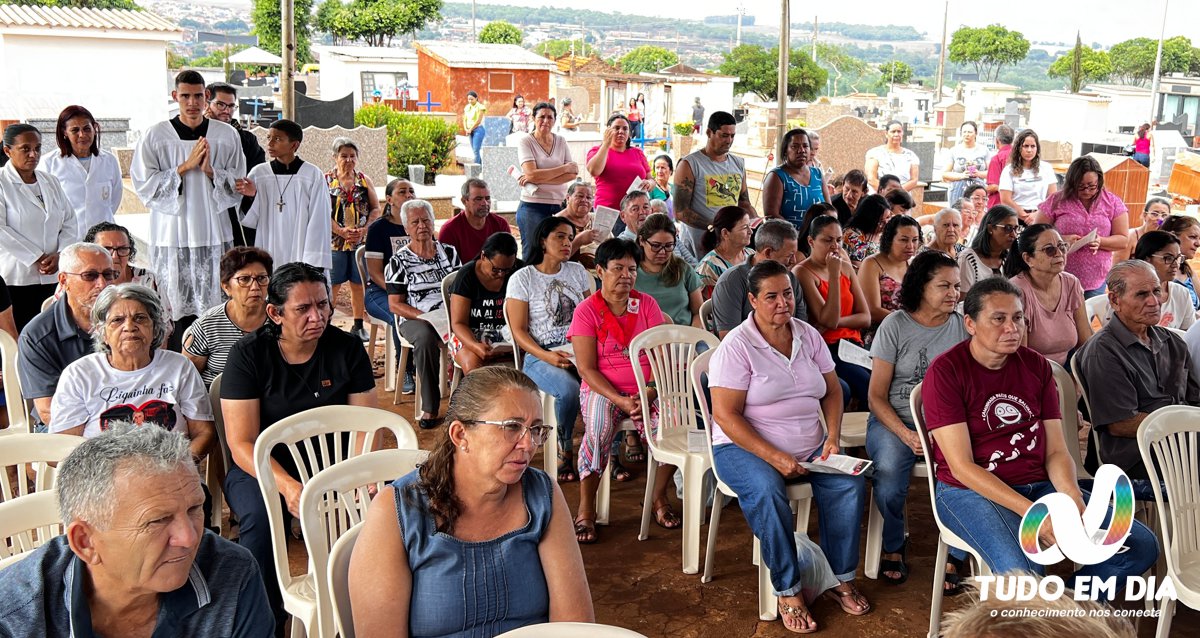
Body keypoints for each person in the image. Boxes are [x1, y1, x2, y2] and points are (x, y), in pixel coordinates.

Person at [924, 277, 1158, 597]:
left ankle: (1063, 605)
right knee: (1026, 577)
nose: (1012, 327)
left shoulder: (1035, 365)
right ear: (970, 323)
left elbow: (1056, 452)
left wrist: (1073, 500)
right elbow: (962, 466)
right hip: (970, 491)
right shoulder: (946, 371)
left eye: (1018, 317)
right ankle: (1045, 611)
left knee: (1140, 546)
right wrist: (1033, 514)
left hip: (1038, 484)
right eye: (999, 318)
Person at [349, 366, 593, 635]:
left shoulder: (541, 496)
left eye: (536, 429)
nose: (528, 444)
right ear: (460, 435)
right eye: (511, 427)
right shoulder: (397, 511)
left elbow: (575, 625)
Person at [710, 259, 871, 633]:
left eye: (787, 293)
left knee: (849, 482)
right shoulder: (737, 346)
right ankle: (788, 588)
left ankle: (839, 578)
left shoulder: (806, 334)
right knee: (767, 491)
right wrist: (774, 456)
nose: (782, 303)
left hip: (810, 445)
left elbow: (832, 389)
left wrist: (832, 437)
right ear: (752, 300)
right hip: (744, 448)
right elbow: (726, 415)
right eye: (771, 296)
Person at [0, 424, 274, 636]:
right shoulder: (14, 617)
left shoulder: (232, 574)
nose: (190, 538)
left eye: (194, 509)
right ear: (86, 542)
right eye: (157, 520)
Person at [221, 262, 378, 627]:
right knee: (260, 522)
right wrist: (288, 487)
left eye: (323, 305)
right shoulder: (248, 355)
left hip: (332, 464)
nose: (318, 316)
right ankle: (265, 621)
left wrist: (356, 473)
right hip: (262, 469)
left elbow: (366, 427)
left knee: (375, 513)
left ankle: (352, 615)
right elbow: (241, 442)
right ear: (275, 313)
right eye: (303, 309)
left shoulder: (347, 348)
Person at [867, 250, 969, 590]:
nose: (954, 294)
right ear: (921, 287)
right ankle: (894, 542)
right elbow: (876, 396)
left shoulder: (963, 325)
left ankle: (958, 548)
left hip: (948, 424)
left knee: (963, 472)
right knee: (889, 473)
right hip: (894, 419)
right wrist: (907, 434)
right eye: (944, 286)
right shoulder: (895, 325)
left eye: (956, 286)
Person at [569, 238, 678, 543]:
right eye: (617, 268)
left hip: (649, 390)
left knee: (674, 425)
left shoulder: (646, 305)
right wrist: (620, 399)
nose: (626, 275)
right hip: (603, 390)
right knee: (599, 430)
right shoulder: (587, 311)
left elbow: (661, 358)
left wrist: (651, 393)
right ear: (600, 270)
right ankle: (586, 510)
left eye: (631, 269)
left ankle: (657, 498)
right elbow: (587, 369)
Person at [131, 70, 246, 347]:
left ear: (206, 96)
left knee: (215, 305)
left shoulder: (226, 134)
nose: (192, 102)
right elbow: (144, 186)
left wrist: (211, 172)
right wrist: (184, 167)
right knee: (176, 309)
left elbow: (239, 181)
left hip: (213, 232)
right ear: (175, 97)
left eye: (198, 96)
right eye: (185, 96)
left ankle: (217, 360)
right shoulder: (156, 136)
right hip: (174, 235)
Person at [49, 283, 215, 456]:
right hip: (103, 477)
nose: (129, 327)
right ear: (102, 332)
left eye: (140, 318)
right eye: (117, 320)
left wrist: (179, 468)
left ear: (155, 327)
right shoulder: (79, 374)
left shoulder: (179, 366)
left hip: (172, 473)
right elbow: (61, 449)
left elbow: (204, 433)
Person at [1080, 261, 1200, 483]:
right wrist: (1185, 425)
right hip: (1136, 457)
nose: (1154, 302)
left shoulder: (1172, 341)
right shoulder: (1103, 352)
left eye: (1156, 291)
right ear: (1115, 300)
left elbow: (1195, 399)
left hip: (1182, 442)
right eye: (1142, 294)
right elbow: (1121, 423)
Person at [506, 216, 592, 483]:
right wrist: (548, 356)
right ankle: (565, 447)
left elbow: (592, 313)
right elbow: (518, 331)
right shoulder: (523, 278)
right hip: (540, 353)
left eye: (570, 237)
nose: (567, 243)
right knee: (568, 391)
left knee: (610, 381)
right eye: (560, 237)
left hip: (580, 347)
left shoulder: (577, 271)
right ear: (543, 240)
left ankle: (605, 451)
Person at [18, 242, 114, 427]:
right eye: (90, 276)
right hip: (69, 428)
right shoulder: (37, 336)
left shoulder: (129, 319)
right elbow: (48, 412)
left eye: (108, 275)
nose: (102, 284)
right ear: (63, 281)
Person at [386, 200, 461, 429]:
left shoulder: (449, 252)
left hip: (448, 314)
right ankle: (430, 407)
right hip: (415, 319)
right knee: (426, 338)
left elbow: (460, 288)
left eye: (426, 220)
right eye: (415, 222)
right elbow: (395, 305)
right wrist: (425, 316)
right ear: (406, 228)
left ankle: (466, 400)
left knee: (472, 332)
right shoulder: (399, 261)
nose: (422, 226)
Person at [0, 123, 78, 331]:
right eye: (25, 148)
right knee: (20, 336)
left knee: (51, 333)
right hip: (16, 277)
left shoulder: (50, 181)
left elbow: (69, 220)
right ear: (8, 151)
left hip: (53, 275)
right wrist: (36, 256)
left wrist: (60, 253)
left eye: (37, 148)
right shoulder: (1, 182)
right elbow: (1, 230)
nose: (33, 154)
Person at [795, 215, 871, 409]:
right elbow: (828, 320)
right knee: (868, 387)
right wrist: (834, 276)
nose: (835, 246)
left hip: (854, 345)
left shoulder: (845, 267)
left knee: (883, 381)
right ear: (811, 241)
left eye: (838, 240)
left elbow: (865, 317)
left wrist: (838, 321)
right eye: (827, 240)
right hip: (828, 346)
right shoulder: (803, 272)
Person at [235, 119, 331, 270]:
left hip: (302, 250)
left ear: (294, 145)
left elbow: (319, 220)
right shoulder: (259, 174)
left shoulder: (312, 175)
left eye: (277, 139)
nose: (270, 144)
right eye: (269, 138)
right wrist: (252, 196)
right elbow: (249, 221)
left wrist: (313, 262)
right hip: (267, 247)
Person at [1032, 155, 1129, 298]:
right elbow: (1035, 234)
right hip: (1058, 274)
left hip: (1096, 278)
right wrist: (1060, 240)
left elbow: (1123, 240)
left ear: (1099, 181)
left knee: (1086, 316)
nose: (1087, 191)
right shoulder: (1057, 200)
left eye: (1092, 186)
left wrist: (1100, 241)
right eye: (1081, 186)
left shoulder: (1112, 202)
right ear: (1071, 183)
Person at [183, 247, 273, 387]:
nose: (255, 287)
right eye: (244, 279)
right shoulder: (207, 325)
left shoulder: (280, 318)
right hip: (218, 404)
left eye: (262, 278)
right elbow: (185, 379)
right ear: (226, 287)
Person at [1004, 224, 1091, 366]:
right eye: (1049, 250)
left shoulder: (1071, 283)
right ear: (1028, 259)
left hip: (1065, 369)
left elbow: (1086, 342)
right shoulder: (1017, 291)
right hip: (1031, 373)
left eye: (1062, 246)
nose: (1059, 253)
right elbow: (1020, 359)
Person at [675, 111, 757, 255]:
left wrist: (757, 223)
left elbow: (744, 203)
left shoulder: (738, 163)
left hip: (733, 245)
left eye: (732, 136)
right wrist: (714, 227)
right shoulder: (690, 164)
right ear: (709, 132)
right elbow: (681, 212)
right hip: (701, 245)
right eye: (724, 135)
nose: (729, 140)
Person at [710, 219, 806, 338]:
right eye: (789, 256)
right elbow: (729, 338)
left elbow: (802, 327)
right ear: (768, 252)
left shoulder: (789, 277)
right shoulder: (731, 282)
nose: (793, 261)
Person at [40, 105, 122, 233]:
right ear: (64, 133)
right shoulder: (49, 163)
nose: (82, 135)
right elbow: (45, 206)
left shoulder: (109, 160)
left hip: (104, 236)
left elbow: (114, 199)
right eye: (75, 130)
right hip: (68, 237)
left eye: (87, 129)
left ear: (94, 129)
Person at [449, 232, 520, 374]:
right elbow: (458, 323)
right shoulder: (466, 276)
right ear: (483, 257)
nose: (501, 274)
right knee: (474, 367)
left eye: (507, 270)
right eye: (496, 269)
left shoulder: (520, 272)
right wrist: (475, 346)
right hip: (470, 334)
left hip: (509, 334)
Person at [206, 82, 266, 247]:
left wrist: (251, 190)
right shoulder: (194, 136)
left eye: (231, 106)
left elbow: (256, 173)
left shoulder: (246, 139)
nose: (226, 110)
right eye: (220, 104)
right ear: (207, 103)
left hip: (233, 208)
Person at [516, 102, 577, 261]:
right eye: (541, 116)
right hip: (532, 207)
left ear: (555, 120)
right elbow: (531, 173)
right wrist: (563, 169)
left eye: (550, 117)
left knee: (556, 254)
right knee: (533, 253)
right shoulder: (526, 141)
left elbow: (573, 173)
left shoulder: (561, 141)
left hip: (558, 205)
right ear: (533, 118)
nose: (545, 120)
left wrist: (538, 176)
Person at [860, 215, 921, 347]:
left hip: (912, 331)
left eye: (915, 240)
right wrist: (910, 323)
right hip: (881, 333)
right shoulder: (872, 264)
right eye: (904, 240)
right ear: (889, 240)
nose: (910, 246)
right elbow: (872, 310)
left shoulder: (913, 265)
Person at [587, 113, 652, 235]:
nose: (621, 131)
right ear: (608, 131)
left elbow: (651, 180)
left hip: (635, 212)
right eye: (616, 128)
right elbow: (594, 170)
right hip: (608, 211)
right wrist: (606, 144)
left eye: (625, 128)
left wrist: (648, 183)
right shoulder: (597, 151)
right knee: (610, 250)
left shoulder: (637, 152)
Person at [364, 178, 413, 336]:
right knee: (400, 315)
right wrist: (398, 291)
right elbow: (374, 272)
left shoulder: (419, 226)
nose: (409, 195)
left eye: (411, 191)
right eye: (402, 192)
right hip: (380, 291)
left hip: (414, 290)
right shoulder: (378, 229)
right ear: (389, 199)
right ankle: (403, 360)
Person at [636, 213, 703, 328]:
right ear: (642, 241)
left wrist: (692, 337)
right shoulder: (631, 272)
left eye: (668, 246)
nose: (662, 252)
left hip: (684, 337)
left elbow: (698, 312)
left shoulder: (683, 268)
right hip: (644, 339)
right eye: (656, 246)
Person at [763, 128, 829, 230]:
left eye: (805, 146)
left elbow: (829, 209)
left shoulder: (817, 174)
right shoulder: (777, 176)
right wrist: (798, 236)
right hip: (789, 240)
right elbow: (771, 215)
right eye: (795, 146)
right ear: (785, 151)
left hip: (818, 240)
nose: (801, 150)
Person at [1133, 230, 1196, 330]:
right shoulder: (1129, 294)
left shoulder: (1181, 293)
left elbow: (1187, 334)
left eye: (1178, 258)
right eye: (1168, 258)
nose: (1176, 264)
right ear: (1146, 259)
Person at [439, 177, 511, 263]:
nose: (485, 203)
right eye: (478, 199)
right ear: (464, 201)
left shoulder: (500, 224)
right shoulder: (449, 230)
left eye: (487, 198)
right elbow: (449, 269)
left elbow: (508, 258)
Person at [998, 129, 1057, 224]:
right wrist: (1024, 216)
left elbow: (1053, 197)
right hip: (1016, 218)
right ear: (1018, 147)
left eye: (1033, 146)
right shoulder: (1009, 170)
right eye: (1025, 146)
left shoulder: (1046, 168)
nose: (1029, 150)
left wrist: (1037, 214)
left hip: (1041, 217)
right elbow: (1005, 199)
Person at [696, 205, 754, 298]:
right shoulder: (709, 267)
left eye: (750, 226)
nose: (750, 231)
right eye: (744, 227)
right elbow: (708, 307)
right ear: (725, 233)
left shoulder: (750, 254)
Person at [959, 205, 1019, 293]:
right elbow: (963, 301)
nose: (1014, 235)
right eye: (1008, 228)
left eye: (1016, 229)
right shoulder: (968, 259)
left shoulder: (1009, 258)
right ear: (990, 228)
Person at [82, 221, 157, 289]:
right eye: (106, 249)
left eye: (122, 249)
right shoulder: (83, 281)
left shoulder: (149, 280)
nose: (115, 256)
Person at [841, 193, 894, 269]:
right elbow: (858, 268)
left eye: (888, 217)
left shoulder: (884, 233)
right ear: (869, 220)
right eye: (880, 221)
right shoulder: (853, 235)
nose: (886, 223)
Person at [1159, 214, 1200, 313]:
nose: (1198, 243)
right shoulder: (1156, 269)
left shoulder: (1188, 270)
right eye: (1192, 237)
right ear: (1173, 236)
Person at [865, 121, 919, 193]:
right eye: (893, 132)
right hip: (880, 197)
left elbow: (914, 180)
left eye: (899, 131)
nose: (896, 134)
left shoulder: (911, 156)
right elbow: (871, 179)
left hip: (902, 197)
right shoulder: (875, 153)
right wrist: (886, 192)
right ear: (886, 134)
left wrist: (897, 193)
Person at [942, 121, 990, 202]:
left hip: (978, 190)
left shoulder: (984, 150)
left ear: (976, 133)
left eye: (970, 132)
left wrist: (978, 173)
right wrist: (962, 175)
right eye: (964, 132)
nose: (966, 134)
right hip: (957, 189)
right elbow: (945, 174)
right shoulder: (954, 150)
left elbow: (991, 173)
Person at [556, 180, 600, 268]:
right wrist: (579, 240)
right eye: (580, 196)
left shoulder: (597, 219)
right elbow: (555, 259)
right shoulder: (556, 223)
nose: (584, 200)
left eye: (589, 197)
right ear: (568, 198)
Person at [1122, 197, 1171, 262]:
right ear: (1145, 215)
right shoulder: (1130, 236)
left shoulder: (1169, 240)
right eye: (1154, 214)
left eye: (1164, 215)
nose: (1160, 219)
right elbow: (1117, 266)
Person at [984, 124, 1014, 209]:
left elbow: (994, 186)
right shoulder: (1019, 156)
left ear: (997, 140)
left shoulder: (997, 159)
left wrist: (983, 189)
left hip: (999, 206)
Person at [463, 91, 486, 165]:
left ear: (476, 98)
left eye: (472, 99)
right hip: (470, 131)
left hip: (478, 130)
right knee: (474, 151)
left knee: (476, 149)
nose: (470, 101)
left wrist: (470, 129)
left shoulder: (481, 107)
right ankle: (480, 167)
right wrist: (466, 129)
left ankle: (475, 169)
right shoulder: (467, 107)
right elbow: (464, 119)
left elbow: (478, 120)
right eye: (469, 99)